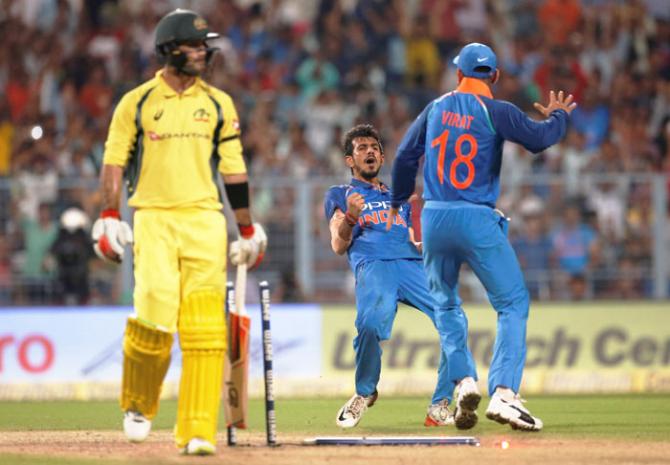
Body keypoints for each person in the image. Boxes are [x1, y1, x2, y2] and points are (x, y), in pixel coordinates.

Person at [91, 9, 267, 455]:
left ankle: (196, 430)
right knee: (154, 316)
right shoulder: (137, 103)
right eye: (195, 46)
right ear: (170, 50)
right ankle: (138, 404)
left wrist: (246, 228)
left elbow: (234, 169)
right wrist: (110, 214)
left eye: (205, 46)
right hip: (152, 218)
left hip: (205, 222)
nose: (204, 52)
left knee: (206, 331)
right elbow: (113, 162)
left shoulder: (218, 104)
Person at [388, 42, 576, 431]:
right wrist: (558, 117)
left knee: (445, 304)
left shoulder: (435, 108)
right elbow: (540, 140)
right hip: (476, 217)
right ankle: (505, 393)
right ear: (495, 76)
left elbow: (406, 157)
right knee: (512, 301)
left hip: (436, 217)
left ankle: (464, 381)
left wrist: (397, 202)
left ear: (458, 74)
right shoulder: (497, 111)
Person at [324, 124, 465, 430]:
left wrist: (430, 244)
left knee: (454, 319)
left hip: (411, 265)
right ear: (350, 160)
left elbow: (409, 239)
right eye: (361, 148)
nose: (369, 151)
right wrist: (350, 216)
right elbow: (338, 245)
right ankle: (365, 392)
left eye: (374, 147)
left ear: (382, 156)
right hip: (374, 265)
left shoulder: (398, 197)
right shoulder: (340, 194)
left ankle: (440, 405)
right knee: (371, 326)